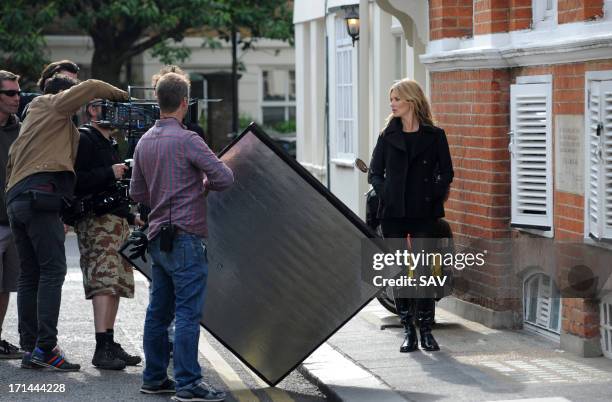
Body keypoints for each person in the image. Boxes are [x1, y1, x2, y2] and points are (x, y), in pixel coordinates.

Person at [6, 74, 129, 371]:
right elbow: (91, 87)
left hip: (18, 199)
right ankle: (46, 348)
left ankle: (32, 346)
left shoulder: (41, 128)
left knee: (30, 274)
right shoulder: (48, 104)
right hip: (39, 195)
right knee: (53, 271)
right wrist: (122, 97)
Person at [130, 71, 233, 400]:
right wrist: (201, 186)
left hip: (158, 237)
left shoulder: (145, 141)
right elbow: (224, 177)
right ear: (185, 102)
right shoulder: (189, 140)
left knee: (158, 312)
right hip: (187, 236)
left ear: (158, 100)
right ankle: (188, 383)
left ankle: (154, 377)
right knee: (188, 313)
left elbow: (137, 192)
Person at [368, 78, 453, 353]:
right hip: (393, 213)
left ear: (411, 101)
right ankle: (408, 331)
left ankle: (426, 330)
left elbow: (446, 173)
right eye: (391, 99)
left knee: (424, 272)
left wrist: (434, 195)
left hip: (424, 212)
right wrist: (387, 194)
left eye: (396, 99)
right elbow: (374, 173)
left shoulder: (435, 135)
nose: (392, 104)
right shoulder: (386, 136)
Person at [72, 100, 144, 370]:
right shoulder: (84, 138)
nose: (119, 115)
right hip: (95, 221)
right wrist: (108, 172)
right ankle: (102, 347)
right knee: (103, 281)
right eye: (112, 109)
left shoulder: (110, 142)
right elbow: (74, 179)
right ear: (92, 109)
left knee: (115, 283)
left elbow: (114, 191)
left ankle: (109, 342)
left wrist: (130, 216)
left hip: (114, 221)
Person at [0, 70, 23, 359]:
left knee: (6, 285)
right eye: (10, 93)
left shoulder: (20, 130)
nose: (16, 98)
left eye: (18, 93)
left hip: (15, 220)